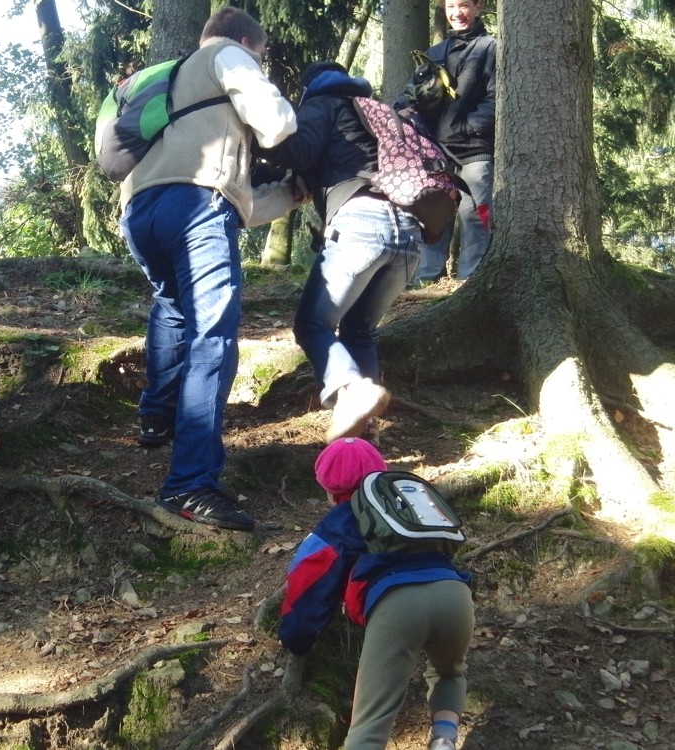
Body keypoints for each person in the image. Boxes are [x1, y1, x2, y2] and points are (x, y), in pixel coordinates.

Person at [120, 6, 301, 531]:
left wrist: (288, 196)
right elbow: (277, 123)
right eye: (260, 56)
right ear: (247, 43)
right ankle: (190, 484)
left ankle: (156, 417)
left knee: (173, 306)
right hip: (195, 206)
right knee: (213, 336)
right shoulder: (228, 55)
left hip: (139, 212)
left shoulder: (165, 80)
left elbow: (238, 201)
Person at [279, 438, 474, 750]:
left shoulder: (338, 522)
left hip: (398, 605)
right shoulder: (407, 504)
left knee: (370, 726)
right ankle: (444, 739)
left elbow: (310, 582)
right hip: (455, 595)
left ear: (328, 488)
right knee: (449, 673)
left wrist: (295, 638)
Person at [261, 61, 419, 443]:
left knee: (312, 324)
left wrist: (253, 137)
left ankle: (351, 390)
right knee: (359, 329)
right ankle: (364, 433)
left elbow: (299, 151)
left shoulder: (323, 102)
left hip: (362, 222)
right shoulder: (374, 111)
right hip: (409, 231)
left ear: (308, 86)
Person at [401, 0, 496, 284]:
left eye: (464, 5)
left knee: (476, 218)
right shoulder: (434, 53)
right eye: (451, 6)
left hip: (475, 152)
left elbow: (497, 98)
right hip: (436, 154)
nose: (457, 13)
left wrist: (467, 128)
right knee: (434, 217)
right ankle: (425, 282)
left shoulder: (491, 48)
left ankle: (470, 283)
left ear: (479, 7)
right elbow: (409, 98)